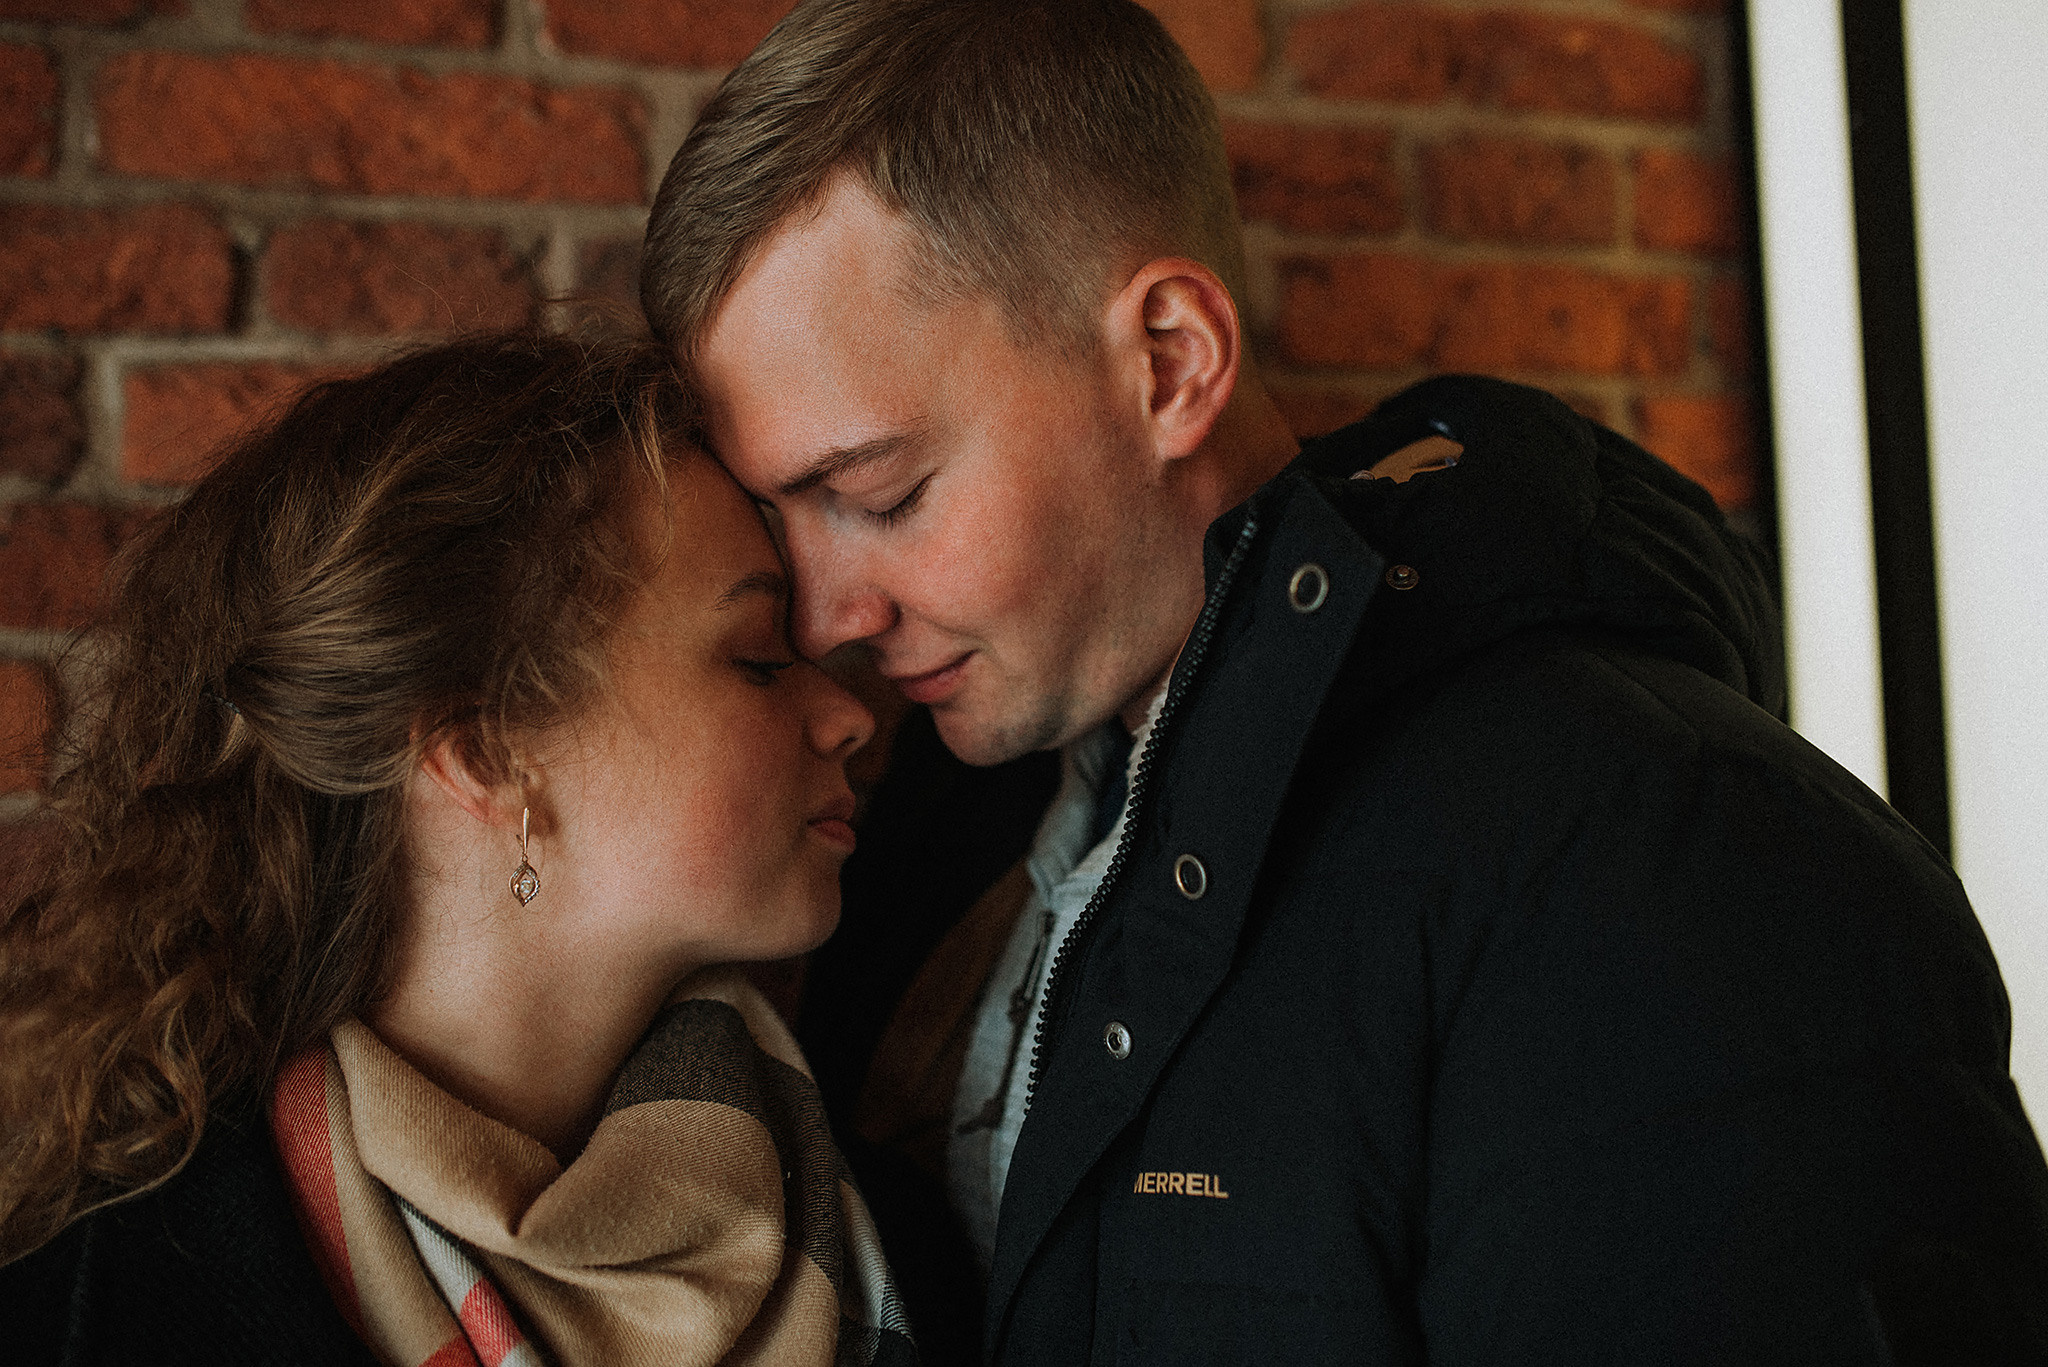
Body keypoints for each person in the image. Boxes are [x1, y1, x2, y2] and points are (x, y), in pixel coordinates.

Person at [638, 0, 2048, 1362]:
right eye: (785, 521)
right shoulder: (948, 830)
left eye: (880, 490)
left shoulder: (1677, 855)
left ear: (1170, 362)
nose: (827, 615)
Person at [0, 333, 919, 1367]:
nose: (847, 714)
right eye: (756, 660)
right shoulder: (91, 1304)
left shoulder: (912, 1231)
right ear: (484, 751)